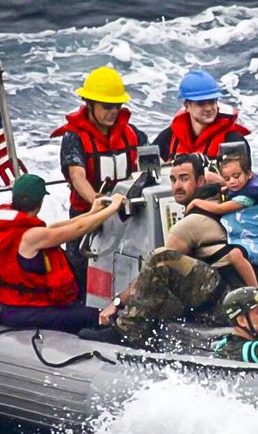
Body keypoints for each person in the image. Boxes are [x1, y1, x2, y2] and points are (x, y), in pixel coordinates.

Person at [79, 154, 258, 348]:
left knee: (161, 259)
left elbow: (156, 267)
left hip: (225, 303)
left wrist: (115, 303)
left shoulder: (192, 223)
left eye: (184, 179)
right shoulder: (218, 201)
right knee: (156, 294)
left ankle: (129, 331)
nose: (177, 186)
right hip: (235, 299)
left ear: (200, 181)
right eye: (173, 180)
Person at [0, 174, 125, 334]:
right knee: (94, 316)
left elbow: (56, 228)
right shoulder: (32, 236)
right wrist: (113, 208)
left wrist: (92, 212)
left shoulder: (16, 229)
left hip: (10, 306)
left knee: (76, 309)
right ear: (39, 203)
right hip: (25, 311)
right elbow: (79, 229)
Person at [50, 66, 148, 303]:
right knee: (83, 276)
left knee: (128, 268)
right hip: (87, 219)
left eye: (117, 106)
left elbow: (152, 166)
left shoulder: (133, 134)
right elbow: (77, 176)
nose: (113, 111)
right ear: (89, 104)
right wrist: (97, 202)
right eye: (107, 106)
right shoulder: (74, 137)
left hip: (126, 217)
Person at [185, 151, 258, 270]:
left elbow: (219, 209)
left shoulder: (245, 198)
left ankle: (254, 287)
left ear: (248, 174)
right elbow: (225, 190)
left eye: (236, 176)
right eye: (227, 179)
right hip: (244, 240)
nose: (232, 182)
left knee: (235, 255)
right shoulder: (237, 189)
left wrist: (195, 202)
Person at [152, 69, 251, 170]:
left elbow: (240, 180)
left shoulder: (232, 140)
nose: (208, 108)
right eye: (201, 103)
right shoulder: (169, 136)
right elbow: (147, 168)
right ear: (187, 106)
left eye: (212, 102)